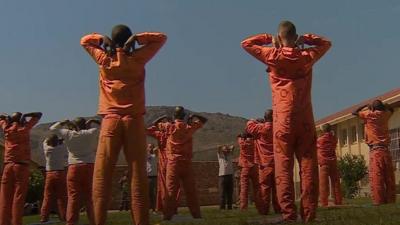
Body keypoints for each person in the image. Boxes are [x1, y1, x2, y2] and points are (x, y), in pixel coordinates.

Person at [241, 21, 331, 222]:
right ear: (296, 35)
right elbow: (326, 44)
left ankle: (288, 214)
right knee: (308, 166)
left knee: (283, 167)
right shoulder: (306, 56)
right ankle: (309, 214)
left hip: (282, 120)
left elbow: (246, 44)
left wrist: (268, 39)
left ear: (279, 37)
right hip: (305, 119)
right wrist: (306, 39)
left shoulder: (272, 56)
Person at [81, 24, 167, 225]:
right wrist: (138, 38)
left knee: (102, 176)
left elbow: (84, 41)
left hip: (110, 120)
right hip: (134, 120)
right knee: (138, 175)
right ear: (129, 40)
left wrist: (102, 40)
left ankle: (98, 221)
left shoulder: (104, 59)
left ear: (113, 40)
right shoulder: (138, 58)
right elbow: (161, 37)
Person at [157, 106, 207, 220]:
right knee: (191, 191)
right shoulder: (189, 127)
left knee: (170, 191)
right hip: (186, 162)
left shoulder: (169, 126)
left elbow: (156, 124)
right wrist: (192, 117)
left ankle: (167, 216)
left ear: (174, 116)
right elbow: (204, 120)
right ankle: (196, 215)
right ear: (184, 116)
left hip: (173, 163)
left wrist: (165, 118)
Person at [50, 118, 100, 225]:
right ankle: (95, 221)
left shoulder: (68, 134)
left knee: (73, 196)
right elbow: (104, 127)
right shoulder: (91, 132)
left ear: (75, 125)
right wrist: (92, 121)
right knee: (90, 196)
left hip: (74, 166)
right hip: (89, 165)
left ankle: (71, 222)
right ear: (85, 125)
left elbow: (52, 128)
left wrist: (63, 122)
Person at [0, 112, 42, 225]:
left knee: (4, 198)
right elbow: (39, 114)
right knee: (18, 198)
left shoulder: (6, 129)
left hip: (8, 166)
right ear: (21, 120)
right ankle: (16, 222)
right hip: (21, 166)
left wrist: (7, 119)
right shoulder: (24, 128)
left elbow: (1, 118)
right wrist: (26, 115)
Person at [353, 100, 396, 205]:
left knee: (377, 176)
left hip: (375, 150)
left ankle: (378, 201)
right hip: (386, 150)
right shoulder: (386, 115)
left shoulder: (369, 114)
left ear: (372, 108)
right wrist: (385, 105)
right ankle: (391, 200)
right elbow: (391, 109)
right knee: (389, 177)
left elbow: (354, 112)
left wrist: (365, 105)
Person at [246, 109, 280, 214]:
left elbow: (249, 126)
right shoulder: (278, 128)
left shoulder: (260, 128)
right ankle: (279, 208)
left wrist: (256, 121)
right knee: (277, 188)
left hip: (264, 164)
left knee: (264, 188)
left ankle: (264, 210)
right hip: (278, 163)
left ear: (265, 118)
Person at [40, 134, 68, 222]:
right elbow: (64, 141)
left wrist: (54, 139)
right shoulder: (61, 148)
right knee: (62, 197)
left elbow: (45, 141)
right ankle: (64, 216)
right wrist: (60, 140)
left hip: (49, 174)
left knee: (47, 196)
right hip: (60, 173)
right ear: (57, 142)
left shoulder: (47, 148)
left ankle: (44, 217)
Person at [237, 132, 264, 214]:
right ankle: (259, 205)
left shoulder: (242, 142)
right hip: (254, 167)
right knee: (257, 188)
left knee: (244, 188)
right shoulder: (254, 143)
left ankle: (243, 206)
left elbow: (238, 137)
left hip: (245, 167)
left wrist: (242, 136)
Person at [317, 123, 342, 207]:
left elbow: (315, 146)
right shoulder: (334, 138)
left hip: (324, 162)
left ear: (322, 130)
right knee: (336, 182)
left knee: (323, 183)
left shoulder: (320, 140)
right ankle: (338, 201)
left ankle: (324, 202)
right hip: (333, 161)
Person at [217, 145, 234, 210]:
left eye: (227, 150)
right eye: (224, 150)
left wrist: (228, 149)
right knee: (222, 193)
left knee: (230, 193)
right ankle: (222, 208)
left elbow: (233, 147)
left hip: (230, 176)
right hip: (222, 176)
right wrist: (222, 148)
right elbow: (218, 149)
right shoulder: (220, 156)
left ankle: (230, 207)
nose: (226, 151)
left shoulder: (230, 155)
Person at [147, 144, 158, 213]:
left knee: (153, 194)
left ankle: (154, 209)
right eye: (149, 147)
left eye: (151, 147)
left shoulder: (155, 156)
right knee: (147, 194)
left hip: (154, 177)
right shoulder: (146, 155)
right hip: (147, 178)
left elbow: (157, 150)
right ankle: (147, 209)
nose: (150, 148)